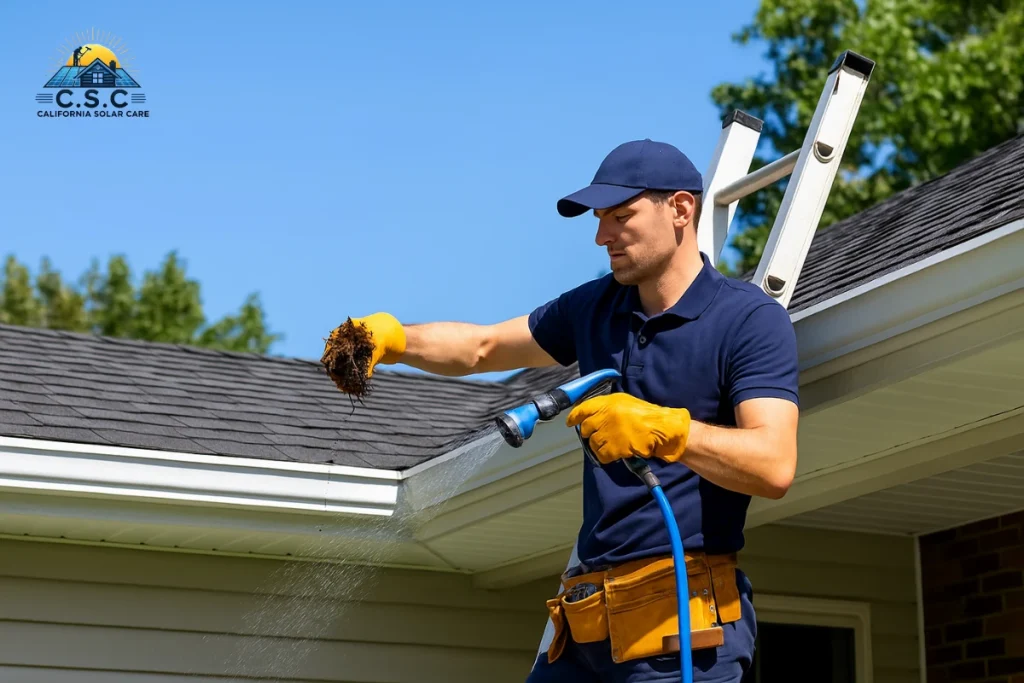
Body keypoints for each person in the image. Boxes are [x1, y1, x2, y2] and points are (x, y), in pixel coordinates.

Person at [329, 139, 800, 682]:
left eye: (621, 216)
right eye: (600, 219)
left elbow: (773, 463)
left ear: (680, 209)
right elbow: (482, 347)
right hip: (585, 624)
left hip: (681, 633)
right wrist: (391, 338)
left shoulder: (747, 320)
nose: (602, 236)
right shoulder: (597, 307)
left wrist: (665, 429)